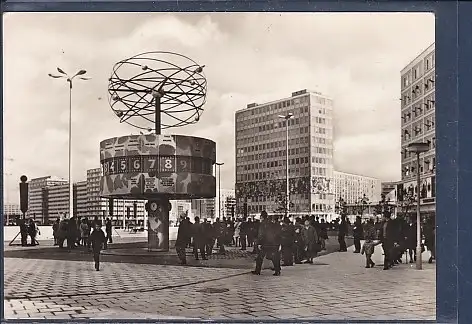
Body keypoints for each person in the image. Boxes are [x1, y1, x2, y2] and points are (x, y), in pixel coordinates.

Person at [252, 212, 282, 276]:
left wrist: (259, 243)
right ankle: (277, 271)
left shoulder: (262, 224)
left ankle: (257, 271)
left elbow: (261, 234)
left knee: (259, 258)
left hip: (264, 243)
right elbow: (277, 233)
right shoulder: (272, 224)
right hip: (273, 243)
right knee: (274, 257)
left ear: (262, 217)